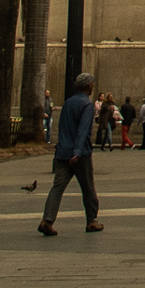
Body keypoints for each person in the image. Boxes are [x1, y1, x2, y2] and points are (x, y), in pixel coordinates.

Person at [38, 72, 102, 235]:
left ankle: (47, 219)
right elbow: (83, 130)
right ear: (88, 86)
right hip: (80, 154)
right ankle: (92, 221)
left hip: (62, 152)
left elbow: (63, 128)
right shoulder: (86, 104)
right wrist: (78, 152)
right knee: (88, 187)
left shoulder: (68, 103)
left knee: (57, 187)